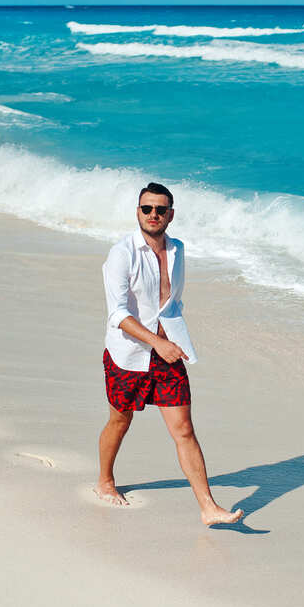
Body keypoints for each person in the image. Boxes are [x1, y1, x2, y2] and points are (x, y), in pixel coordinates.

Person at [95, 182, 243, 526]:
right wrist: (155, 341)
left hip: (167, 356)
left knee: (185, 430)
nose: (153, 215)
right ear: (138, 212)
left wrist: (175, 339)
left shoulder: (177, 250)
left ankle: (208, 507)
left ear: (170, 215)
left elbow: (172, 301)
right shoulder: (123, 253)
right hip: (128, 356)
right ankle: (105, 480)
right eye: (147, 208)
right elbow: (117, 314)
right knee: (120, 420)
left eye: (160, 209)